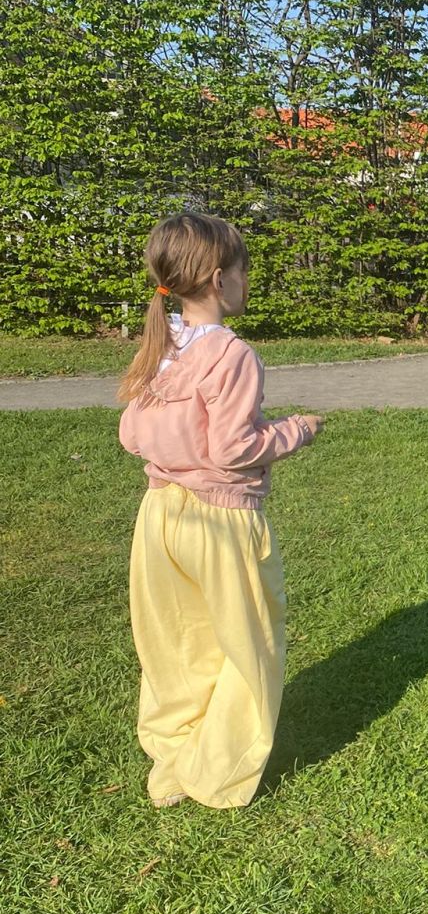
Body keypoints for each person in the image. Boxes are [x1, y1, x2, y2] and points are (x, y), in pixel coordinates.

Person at [117, 213, 325, 810]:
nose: (247, 281)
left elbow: (131, 434)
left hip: (160, 517)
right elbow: (234, 449)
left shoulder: (161, 346)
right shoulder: (232, 354)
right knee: (248, 642)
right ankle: (215, 772)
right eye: (243, 270)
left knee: (176, 644)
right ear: (217, 279)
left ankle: (173, 758)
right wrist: (297, 429)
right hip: (220, 521)